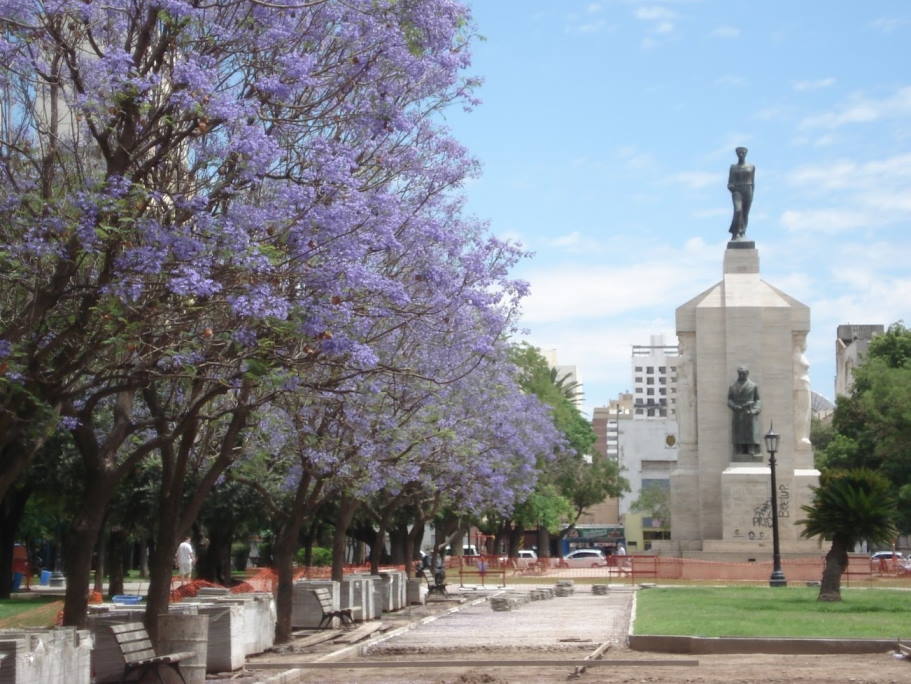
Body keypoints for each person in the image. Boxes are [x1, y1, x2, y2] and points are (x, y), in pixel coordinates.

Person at [727, 366, 761, 456]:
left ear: (747, 374)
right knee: (738, 432)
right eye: (740, 374)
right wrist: (734, 406)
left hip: (749, 412)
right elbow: (729, 399)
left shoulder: (753, 386)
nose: (742, 375)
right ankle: (739, 450)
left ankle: (751, 449)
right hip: (738, 412)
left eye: (744, 374)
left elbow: (757, 399)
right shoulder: (732, 386)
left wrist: (755, 410)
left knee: (750, 431)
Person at [727, 147, 755, 240]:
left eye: (743, 152)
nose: (741, 154)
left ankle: (742, 232)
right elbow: (729, 182)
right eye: (739, 152)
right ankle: (736, 232)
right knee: (738, 210)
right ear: (736, 154)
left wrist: (752, 193)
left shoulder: (751, 167)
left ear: (746, 153)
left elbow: (753, 182)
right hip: (737, 190)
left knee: (745, 213)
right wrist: (731, 187)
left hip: (748, 189)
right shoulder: (733, 167)